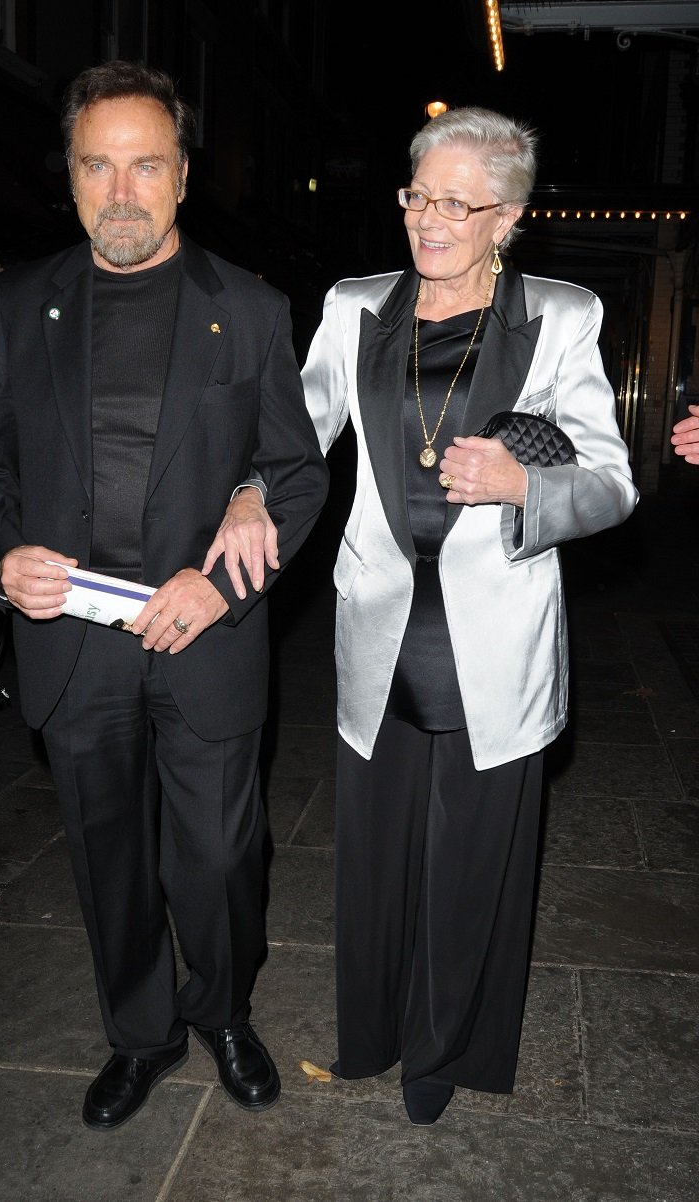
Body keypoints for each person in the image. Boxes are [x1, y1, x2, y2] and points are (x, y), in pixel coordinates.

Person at [209, 106, 638, 1125]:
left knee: (474, 861)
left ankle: (445, 1049)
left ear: (508, 217)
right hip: (378, 627)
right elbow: (292, 431)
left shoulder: (561, 315)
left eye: (457, 200)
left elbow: (612, 482)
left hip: (495, 637)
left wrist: (518, 484)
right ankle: (377, 1029)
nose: (429, 217)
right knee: (377, 854)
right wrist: (244, 489)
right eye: (416, 194)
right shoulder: (356, 305)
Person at [0, 60, 328, 1131]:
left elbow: (295, 471)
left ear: (181, 176)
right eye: (97, 165)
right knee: (106, 853)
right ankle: (142, 1030)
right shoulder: (23, 299)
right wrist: (2, 551)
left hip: (201, 630)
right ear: (70, 175)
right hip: (73, 637)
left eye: (144, 165)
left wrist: (218, 586)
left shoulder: (247, 308)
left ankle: (220, 1012)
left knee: (215, 856)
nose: (121, 190)